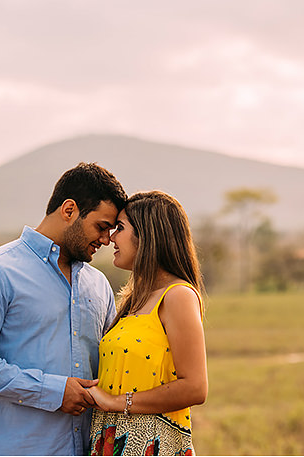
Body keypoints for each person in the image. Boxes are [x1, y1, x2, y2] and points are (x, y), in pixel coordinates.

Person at [0, 162, 127, 456]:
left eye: (112, 230)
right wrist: (53, 392)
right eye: (101, 226)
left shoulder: (99, 284)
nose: (107, 240)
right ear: (69, 210)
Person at [86, 191, 208, 456]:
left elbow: (195, 387)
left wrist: (117, 403)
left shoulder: (177, 296)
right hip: (109, 440)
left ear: (148, 235)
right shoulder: (134, 300)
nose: (111, 238)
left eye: (120, 228)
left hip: (149, 444)